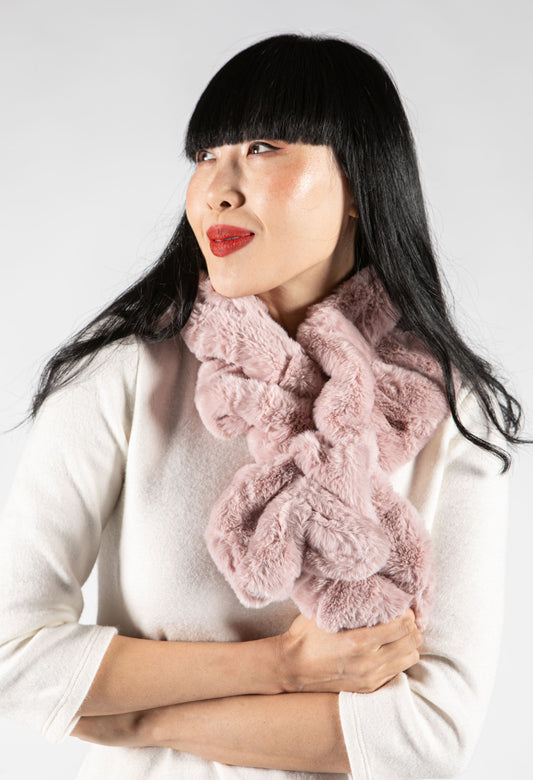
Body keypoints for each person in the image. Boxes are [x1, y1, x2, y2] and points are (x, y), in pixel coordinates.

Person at [0, 33, 525, 779]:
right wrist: (281, 667)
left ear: (360, 184)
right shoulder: (123, 375)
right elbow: (12, 657)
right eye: (205, 155)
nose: (218, 187)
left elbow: (427, 737)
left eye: (263, 147)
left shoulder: (447, 408)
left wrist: (134, 718)